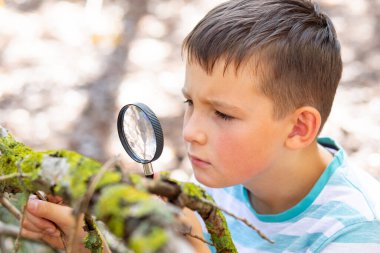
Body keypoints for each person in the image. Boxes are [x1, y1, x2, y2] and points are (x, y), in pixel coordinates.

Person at [21, 0, 380, 252]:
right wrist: (88, 247)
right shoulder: (221, 187)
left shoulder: (357, 231)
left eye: (223, 114)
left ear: (298, 128)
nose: (191, 131)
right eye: (190, 103)